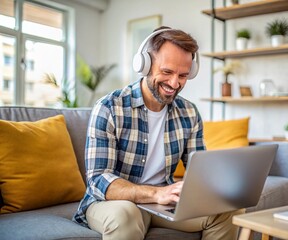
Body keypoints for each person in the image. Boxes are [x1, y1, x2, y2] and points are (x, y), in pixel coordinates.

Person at [73, 26, 244, 240]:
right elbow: (99, 180)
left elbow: (198, 170)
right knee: (125, 215)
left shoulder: (189, 112)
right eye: (167, 72)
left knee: (229, 208)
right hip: (112, 203)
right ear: (144, 65)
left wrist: (221, 184)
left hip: (161, 203)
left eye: (183, 75)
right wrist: (156, 193)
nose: (175, 83)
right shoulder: (110, 107)